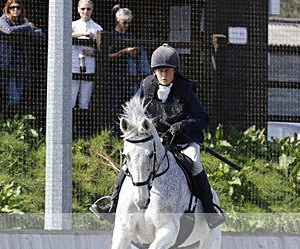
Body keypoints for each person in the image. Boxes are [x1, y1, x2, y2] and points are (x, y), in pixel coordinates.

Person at [91, 44, 226, 229]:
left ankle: (210, 210)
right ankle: (112, 205)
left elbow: (203, 119)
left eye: (167, 71)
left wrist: (183, 125)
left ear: (175, 71)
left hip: (182, 141)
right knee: (128, 164)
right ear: (154, 71)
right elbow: (133, 113)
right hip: (155, 141)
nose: (163, 75)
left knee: (195, 162)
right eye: (160, 71)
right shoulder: (146, 86)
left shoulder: (185, 89)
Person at [0, 0, 42, 115]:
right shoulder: (3, 19)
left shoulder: (23, 20)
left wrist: (27, 28)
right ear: (7, 8)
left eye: (18, 7)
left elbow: (39, 32)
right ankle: (10, 121)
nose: (15, 10)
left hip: (21, 63)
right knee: (12, 95)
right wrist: (26, 27)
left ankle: (13, 122)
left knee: (19, 94)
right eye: (12, 7)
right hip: (7, 63)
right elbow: (8, 31)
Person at [107, 6, 144, 114]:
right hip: (113, 74)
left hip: (129, 75)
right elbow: (107, 56)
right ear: (118, 21)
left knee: (129, 103)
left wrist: (134, 52)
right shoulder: (111, 35)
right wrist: (123, 52)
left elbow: (136, 56)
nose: (127, 25)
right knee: (113, 104)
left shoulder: (130, 36)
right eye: (124, 22)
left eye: (129, 23)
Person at [71, 0, 103, 110]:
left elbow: (103, 50)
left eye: (88, 9)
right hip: (73, 65)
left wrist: (93, 52)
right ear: (78, 9)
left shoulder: (97, 28)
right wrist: (83, 34)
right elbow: (65, 35)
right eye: (83, 8)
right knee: (71, 98)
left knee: (85, 101)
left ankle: (82, 126)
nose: (85, 11)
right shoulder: (72, 25)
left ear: (92, 10)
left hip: (89, 66)